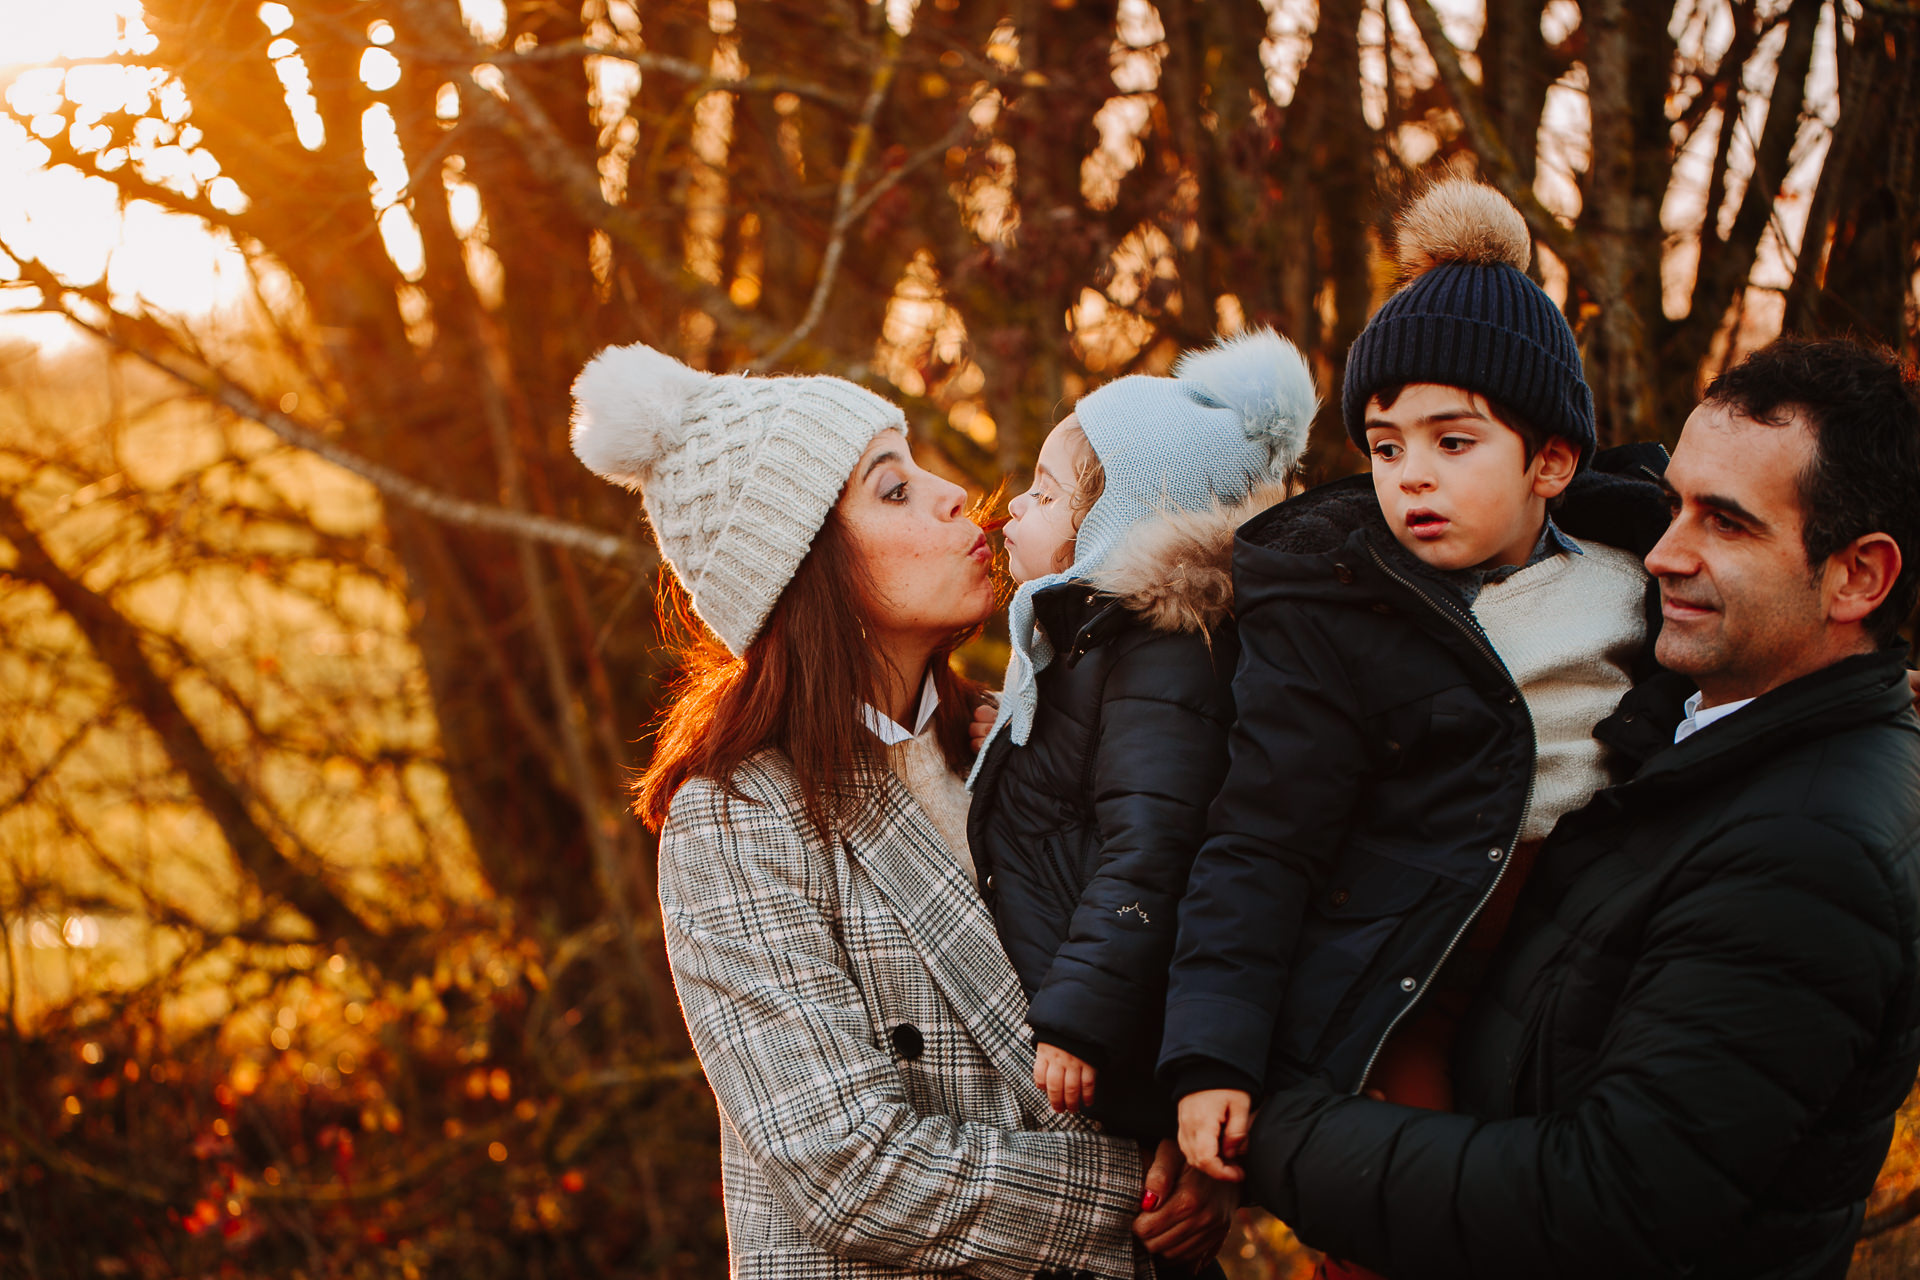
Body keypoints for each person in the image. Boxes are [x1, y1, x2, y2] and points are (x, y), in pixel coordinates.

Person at [1239, 336, 1920, 1280]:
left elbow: (1608, 1198)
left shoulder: (1809, 850)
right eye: (1675, 503)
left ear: (1858, 577)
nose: (1665, 551)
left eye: (1725, 523)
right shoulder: (1681, 733)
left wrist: (1270, 1132)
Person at [567, 342, 1234, 1280]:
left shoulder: (1017, 740)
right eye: (892, 490)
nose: (955, 494)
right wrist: (1139, 1185)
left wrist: (1196, 1133)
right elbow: (843, 1165)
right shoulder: (737, 816)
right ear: (803, 569)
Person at [1159, 179, 1673, 1205]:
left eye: (1454, 440)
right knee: (1411, 1212)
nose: (1412, 477)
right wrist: (1212, 1055)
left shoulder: (1644, 583)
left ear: (1553, 460)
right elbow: (1260, 841)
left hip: (1596, 950)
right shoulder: (1342, 610)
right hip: (1412, 976)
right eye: (1386, 447)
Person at [967, 330, 1316, 1149]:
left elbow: (1152, 847)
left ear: (1116, 521)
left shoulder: (1165, 657)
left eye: (1046, 495)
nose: (1014, 505)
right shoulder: (1098, 645)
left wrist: (1080, 1020)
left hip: (1103, 1039)